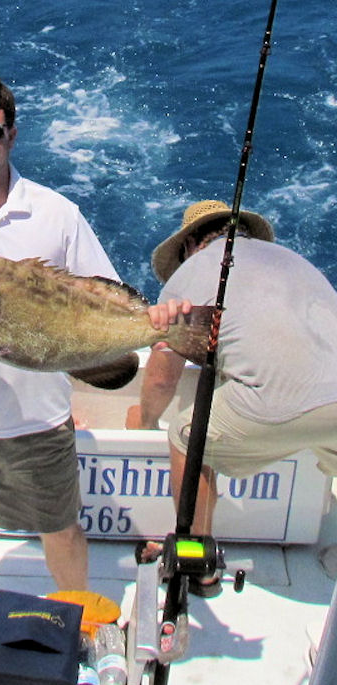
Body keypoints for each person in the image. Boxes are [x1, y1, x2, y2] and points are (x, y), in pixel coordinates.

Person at [0, 75, 185, 612]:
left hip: (40, 426)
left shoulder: (56, 214)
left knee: (61, 532)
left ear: (11, 136)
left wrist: (154, 322)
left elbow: (102, 294)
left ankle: (80, 628)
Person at [127, 198, 337, 595]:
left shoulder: (193, 271)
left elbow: (161, 378)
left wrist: (146, 421)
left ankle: (198, 563)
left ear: (189, 246)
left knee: (186, 438)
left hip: (274, 407)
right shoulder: (292, 261)